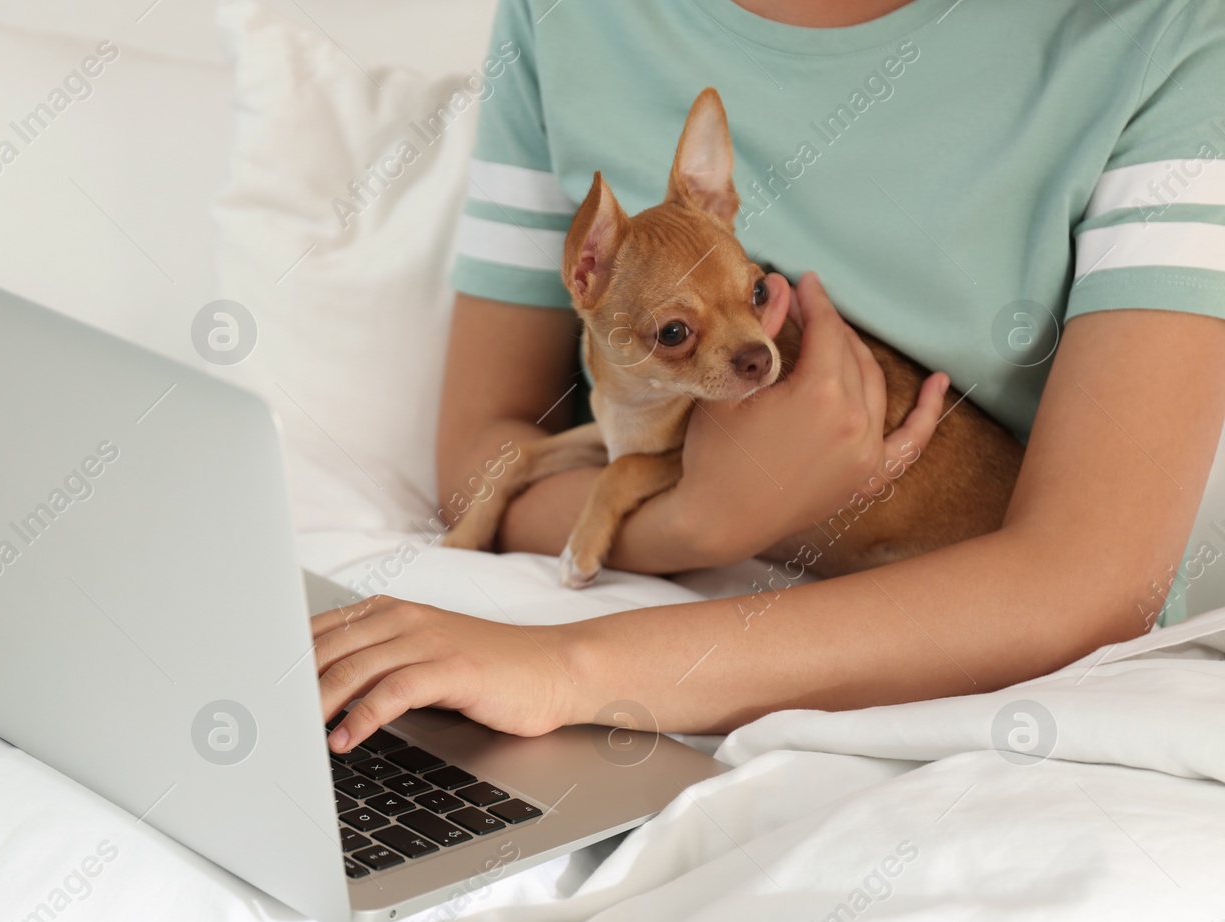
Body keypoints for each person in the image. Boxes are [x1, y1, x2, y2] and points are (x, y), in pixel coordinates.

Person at [316, 0, 1225, 753]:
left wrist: (572, 667)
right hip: (669, 638)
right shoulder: (565, 17)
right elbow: (484, 449)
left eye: (753, 294)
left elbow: (1094, 584)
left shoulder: (1172, 36)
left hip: (1010, 685)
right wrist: (706, 518)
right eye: (680, 329)